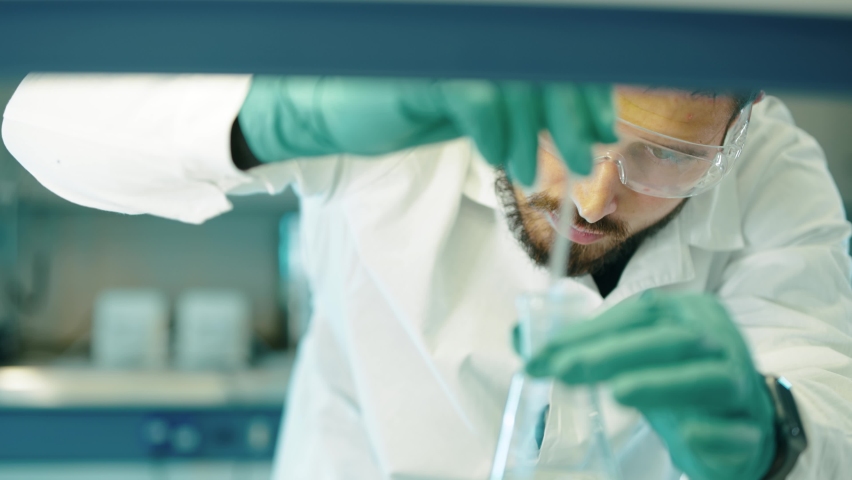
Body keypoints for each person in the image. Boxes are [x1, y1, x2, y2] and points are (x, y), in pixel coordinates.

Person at [3, 74, 852, 480]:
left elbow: (827, 398)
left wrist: (775, 434)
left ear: (741, 131)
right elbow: (44, 124)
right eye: (579, 129)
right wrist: (282, 111)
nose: (595, 198)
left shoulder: (775, 175)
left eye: (667, 157)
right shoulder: (416, 97)